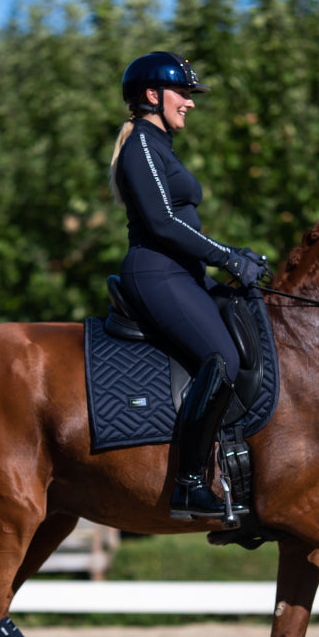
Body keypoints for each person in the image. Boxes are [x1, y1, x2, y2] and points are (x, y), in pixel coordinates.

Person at [109, 51, 271, 522]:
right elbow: (161, 223)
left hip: (182, 272)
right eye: (184, 93)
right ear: (153, 96)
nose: (191, 103)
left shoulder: (159, 146)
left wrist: (231, 258)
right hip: (156, 270)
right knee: (221, 358)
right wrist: (227, 257)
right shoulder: (141, 144)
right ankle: (189, 483)